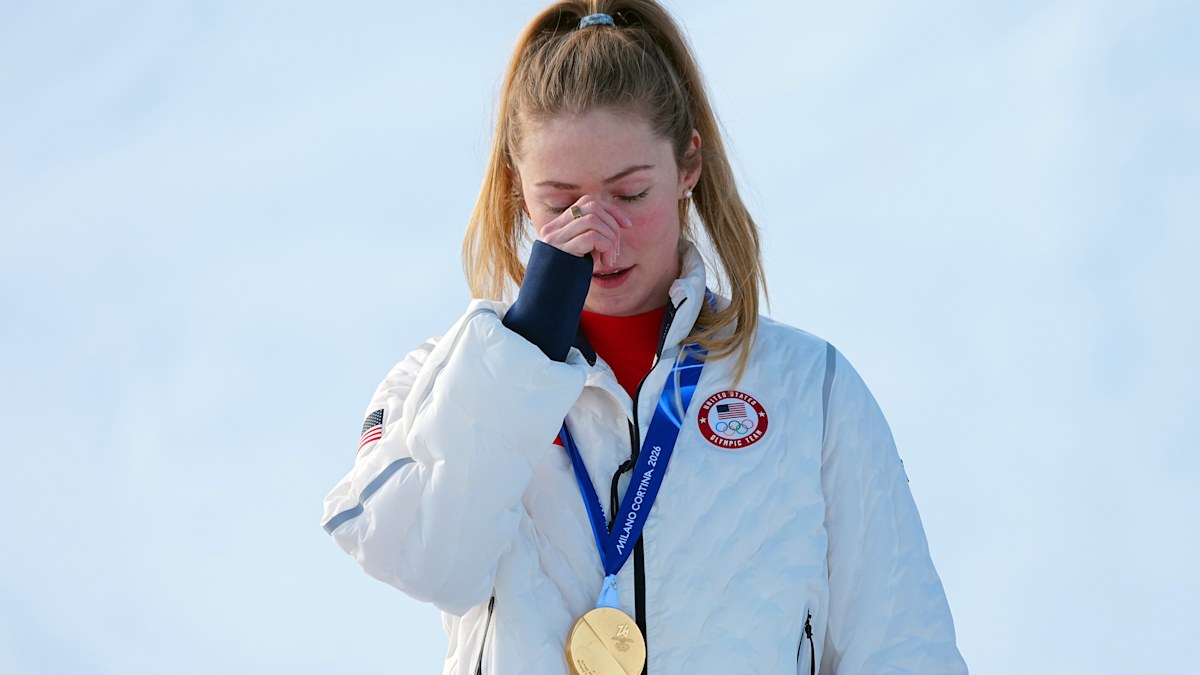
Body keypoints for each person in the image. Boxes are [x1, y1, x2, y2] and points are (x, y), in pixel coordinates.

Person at [321, 2, 968, 674]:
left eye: (629, 194)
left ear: (688, 164)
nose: (598, 233)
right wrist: (521, 359)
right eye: (560, 200)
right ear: (516, 189)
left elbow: (904, 649)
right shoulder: (444, 380)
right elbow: (426, 561)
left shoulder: (813, 388)